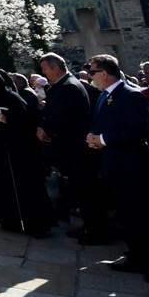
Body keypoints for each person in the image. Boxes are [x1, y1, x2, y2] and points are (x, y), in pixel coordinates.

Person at [86, 54, 149, 284]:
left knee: (147, 213)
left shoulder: (131, 95)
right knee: (127, 213)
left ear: (104, 74)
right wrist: (93, 136)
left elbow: (137, 132)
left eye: (92, 72)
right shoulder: (105, 96)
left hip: (133, 165)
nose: (90, 76)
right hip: (114, 165)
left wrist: (102, 139)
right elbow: (101, 123)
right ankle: (137, 255)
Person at [36, 52, 106, 244]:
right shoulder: (65, 85)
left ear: (56, 68)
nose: (43, 73)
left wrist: (45, 129)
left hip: (76, 148)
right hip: (70, 148)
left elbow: (61, 116)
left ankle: (97, 230)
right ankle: (89, 226)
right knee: (81, 190)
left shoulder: (69, 87)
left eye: (45, 69)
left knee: (87, 190)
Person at [0, 69, 52, 237]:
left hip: (18, 152)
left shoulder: (12, 98)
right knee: (4, 186)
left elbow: (27, 122)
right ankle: (10, 220)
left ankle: (32, 222)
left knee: (25, 187)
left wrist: (8, 122)